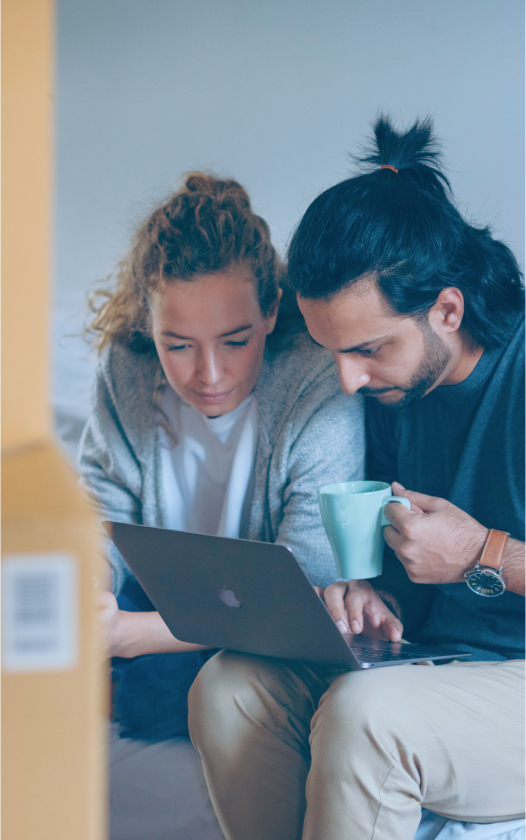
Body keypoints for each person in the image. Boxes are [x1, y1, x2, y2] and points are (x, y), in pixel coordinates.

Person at [188, 120, 526, 838]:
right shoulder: (391, 392)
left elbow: (469, 554)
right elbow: (409, 573)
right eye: (332, 351)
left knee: (365, 717)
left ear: (447, 309)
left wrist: (481, 554)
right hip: (441, 661)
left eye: (369, 349)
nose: (347, 380)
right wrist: (367, 593)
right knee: (228, 687)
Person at [79, 173, 364, 740]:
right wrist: (90, 598)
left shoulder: (318, 382)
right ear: (148, 326)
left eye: (235, 341)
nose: (208, 376)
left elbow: (307, 594)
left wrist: (128, 638)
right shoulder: (126, 368)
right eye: (177, 346)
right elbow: (98, 518)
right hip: (156, 592)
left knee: (235, 681)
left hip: (267, 618)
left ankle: (120, 690)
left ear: (272, 312)